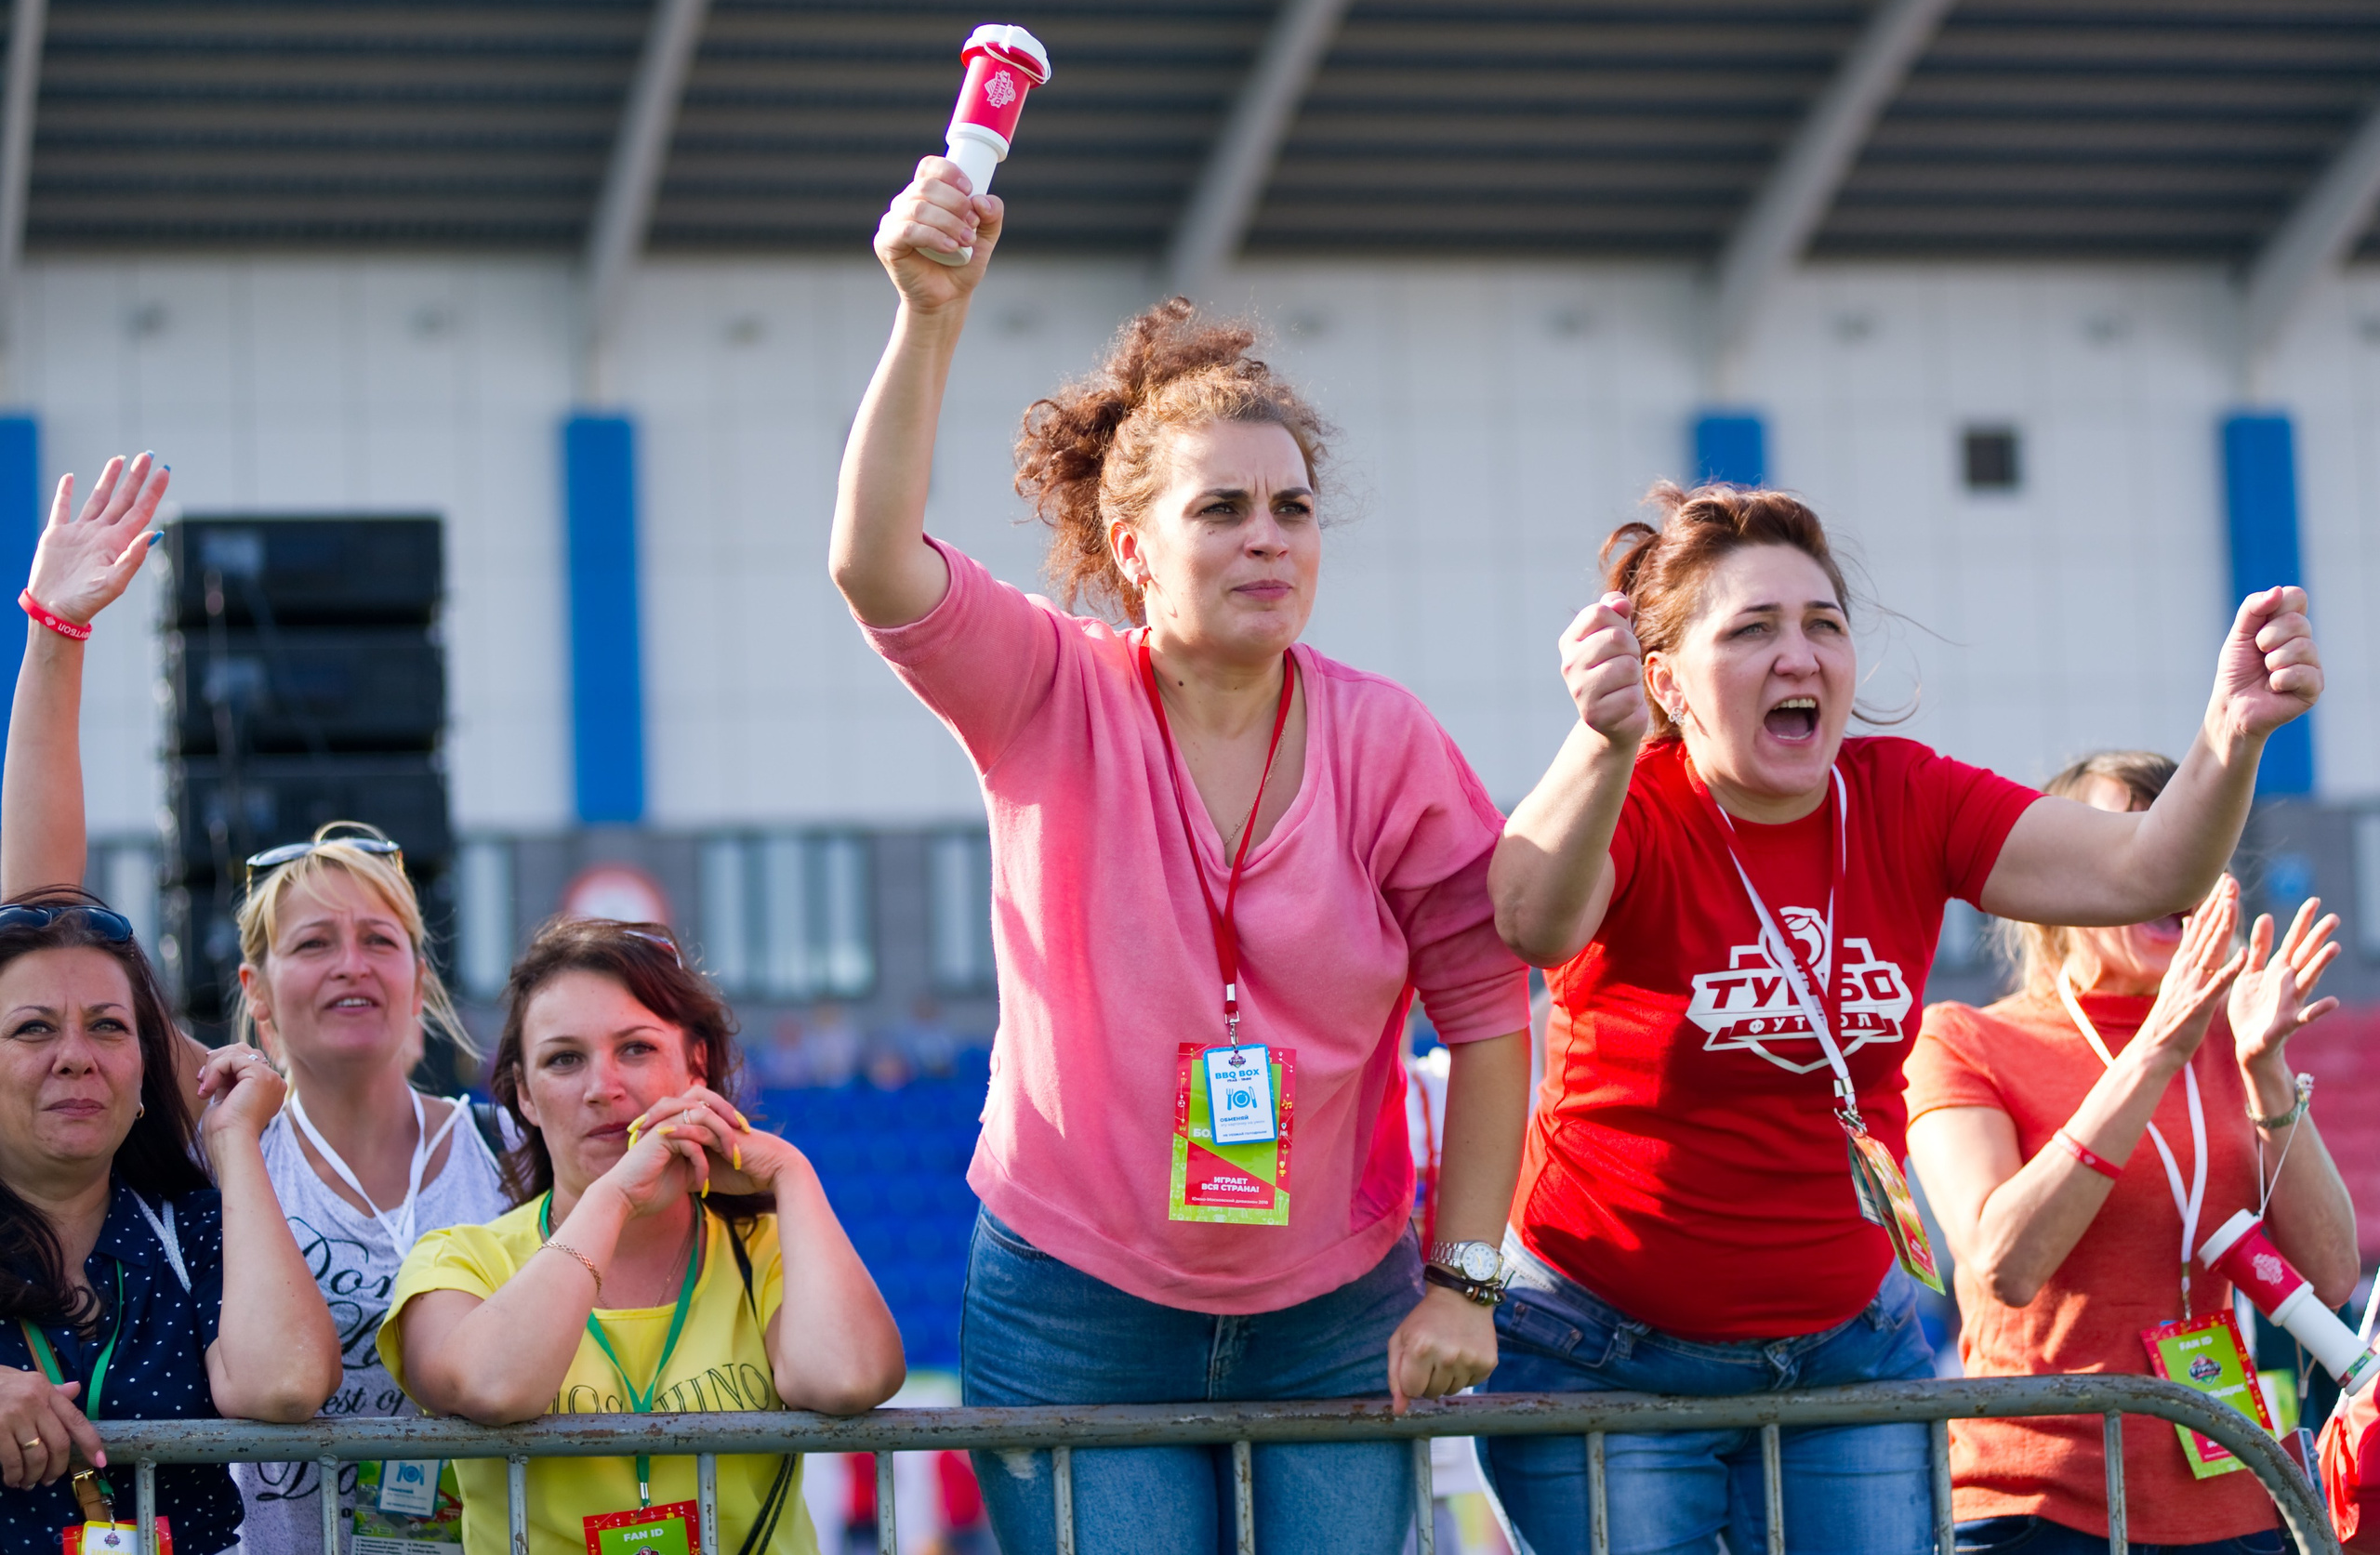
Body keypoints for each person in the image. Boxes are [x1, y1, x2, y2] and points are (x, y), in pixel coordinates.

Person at [833, 156, 1532, 1555]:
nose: (1267, 537)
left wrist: (1463, 1283)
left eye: (1292, 507)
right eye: (1223, 509)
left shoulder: (1391, 741)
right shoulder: (1047, 691)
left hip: (1336, 1311)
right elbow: (873, 564)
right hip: (1069, 1303)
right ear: (1131, 546)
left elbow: (1492, 1016)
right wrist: (928, 314)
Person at [1482, 482, 2323, 1554]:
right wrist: (1599, 745)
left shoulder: (1902, 795)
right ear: (1667, 683)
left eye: (1822, 624)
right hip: (1603, 1344)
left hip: (1844, 1347)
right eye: (1750, 629)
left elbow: (2147, 865)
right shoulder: (1632, 798)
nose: (1800, 655)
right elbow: (1530, 921)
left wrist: (2229, 731)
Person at [0, 450, 516, 1552]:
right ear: (255, 992)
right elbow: (42, 918)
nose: (348, 965)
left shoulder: (508, 1148)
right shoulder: (215, 1107)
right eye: (312, 942)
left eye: (380, 940)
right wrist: (57, 632)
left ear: (420, 979)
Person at [1905, 750, 2355, 1555]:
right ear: (2062, 881)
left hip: (2237, 1492)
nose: (2168, 864)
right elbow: (2005, 1261)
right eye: (2136, 836)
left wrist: (2267, 1075)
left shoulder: (2234, 1039)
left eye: (2188, 838)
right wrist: (2155, 1051)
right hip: (2035, 1502)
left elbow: (2332, 1273)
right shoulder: (1967, 1038)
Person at [380, 916, 905, 1555]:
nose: (605, 1088)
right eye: (564, 1060)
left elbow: (850, 1379)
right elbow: (495, 1387)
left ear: (696, 1066)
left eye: (636, 1048)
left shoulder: (766, 1248)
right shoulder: (460, 1259)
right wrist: (615, 1197)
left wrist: (793, 1176)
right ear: (525, 1097)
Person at [0, 890, 341, 1555]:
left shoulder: (193, 1228)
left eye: (108, 1026)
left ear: (144, 1071)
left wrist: (235, 1138)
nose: (76, 1056)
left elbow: (287, 1383)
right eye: (33, 1028)